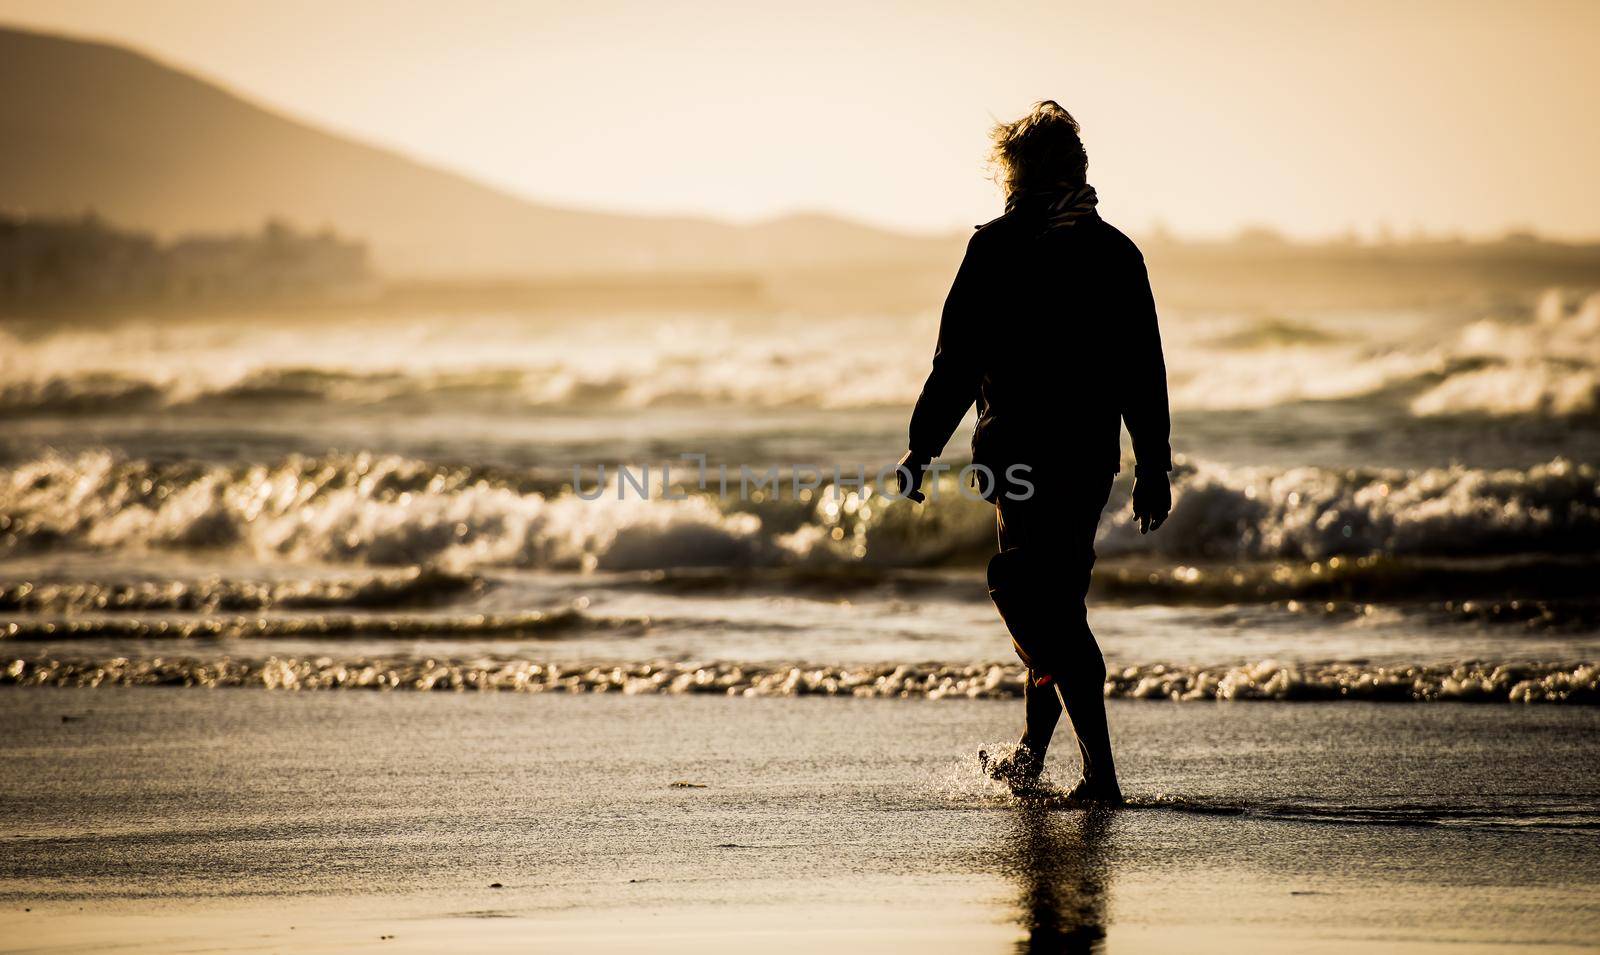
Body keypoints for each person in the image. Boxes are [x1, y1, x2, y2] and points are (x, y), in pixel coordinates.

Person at [895, 101, 1172, 802]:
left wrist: (922, 445)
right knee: (1055, 600)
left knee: (1025, 591)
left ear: (1014, 172)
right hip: (1080, 459)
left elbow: (955, 362)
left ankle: (1100, 776)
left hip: (1026, 457)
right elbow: (1143, 370)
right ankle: (1034, 756)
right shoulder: (1113, 252)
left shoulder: (1001, 248)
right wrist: (1152, 465)